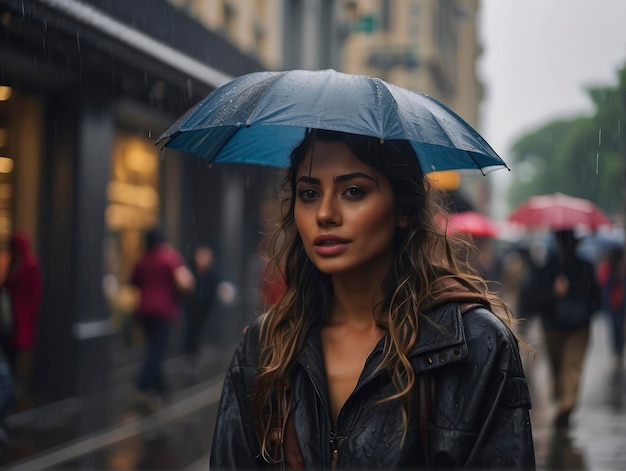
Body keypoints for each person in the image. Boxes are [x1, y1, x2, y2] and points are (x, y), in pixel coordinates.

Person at [210, 129, 535, 469]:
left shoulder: (474, 344)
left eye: (353, 191)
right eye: (308, 193)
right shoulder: (264, 346)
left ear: (403, 210)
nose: (325, 213)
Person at [534, 229, 601, 429]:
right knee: (558, 366)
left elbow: (596, 299)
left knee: (571, 366)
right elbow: (535, 297)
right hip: (553, 326)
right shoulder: (548, 268)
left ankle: (567, 404)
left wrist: (581, 305)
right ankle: (563, 398)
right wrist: (554, 292)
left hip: (578, 328)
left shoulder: (585, 267)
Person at [130, 228, 194, 410]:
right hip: (163, 311)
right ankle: (141, 386)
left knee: (152, 348)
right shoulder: (169, 257)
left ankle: (163, 390)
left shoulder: (142, 260)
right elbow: (185, 282)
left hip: (144, 311)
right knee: (157, 351)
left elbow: (133, 281)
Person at [1, 231, 42, 402]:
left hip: (22, 319)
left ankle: (19, 389)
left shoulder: (30, 266)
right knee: (11, 354)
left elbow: (35, 296)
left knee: (20, 354)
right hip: (10, 319)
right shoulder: (14, 264)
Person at [183, 245, 219, 368]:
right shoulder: (191, 270)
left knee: (198, 330)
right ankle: (190, 353)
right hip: (192, 306)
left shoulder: (212, 273)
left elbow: (213, 289)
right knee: (191, 330)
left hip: (204, 307)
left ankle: (194, 353)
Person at [597, 247, 625, 370]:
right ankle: (618, 351)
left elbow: (602, 282)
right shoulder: (612, 267)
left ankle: (618, 351)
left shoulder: (615, 266)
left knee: (616, 327)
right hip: (616, 303)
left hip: (616, 303)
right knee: (617, 327)